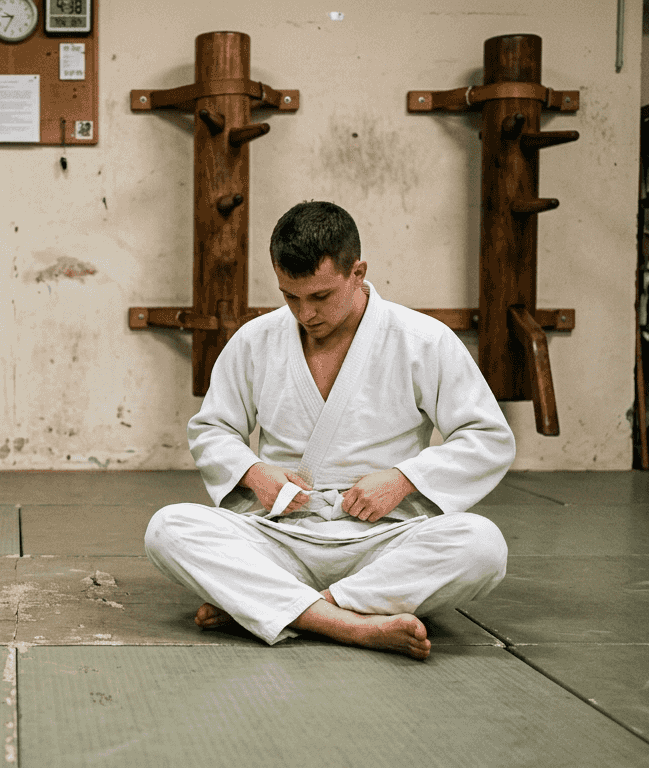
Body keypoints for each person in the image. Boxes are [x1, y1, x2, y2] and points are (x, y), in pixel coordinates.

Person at [145, 201, 514, 660]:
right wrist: (256, 474)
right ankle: (351, 624)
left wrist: (403, 480)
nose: (306, 313)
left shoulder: (422, 340)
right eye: (290, 297)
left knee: (482, 546)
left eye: (320, 296)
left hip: (382, 539)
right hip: (283, 536)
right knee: (168, 528)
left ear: (357, 272)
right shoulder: (256, 340)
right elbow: (212, 429)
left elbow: (487, 437)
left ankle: (276, 606)